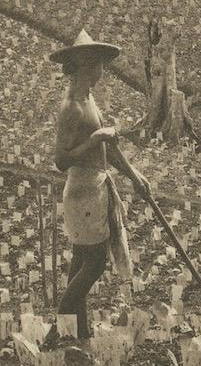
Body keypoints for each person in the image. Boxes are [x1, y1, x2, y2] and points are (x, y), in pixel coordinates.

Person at [45, 28, 153, 347]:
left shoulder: (89, 100)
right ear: (83, 66)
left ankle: (79, 333)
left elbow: (109, 149)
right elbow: (61, 160)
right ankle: (58, 329)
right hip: (82, 191)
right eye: (97, 64)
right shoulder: (72, 108)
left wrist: (134, 175)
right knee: (94, 263)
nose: (102, 70)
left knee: (81, 261)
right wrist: (93, 140)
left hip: (95, 187)